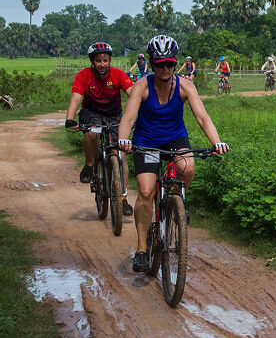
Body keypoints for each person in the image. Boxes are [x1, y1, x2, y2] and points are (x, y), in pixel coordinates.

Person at [118, 35, 229, 273]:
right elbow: (128, 117)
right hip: (146, 141)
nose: (165, 69)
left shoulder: (185, 86)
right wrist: (123, 139)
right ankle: (141, 249)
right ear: (152, 63)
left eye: (169, 63)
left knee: (187, 167)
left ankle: (178, 201)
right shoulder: (142, 86)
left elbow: (202, 117)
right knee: (146, 192)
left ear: (174, 62)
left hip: (175, 138)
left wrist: (217, 142)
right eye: (160, 64)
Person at [65, 41, 134, 216]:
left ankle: (123, 198)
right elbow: (75, 97)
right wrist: (70, 118)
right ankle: (89, 165)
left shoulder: (118, 75)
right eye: (98, 60)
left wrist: (144, 111)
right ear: (92, 61)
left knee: (121, 155)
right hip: (91, 112)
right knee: (93, 132)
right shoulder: (84, 75)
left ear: (110, 60)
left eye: (105, 60)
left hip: (114, 115)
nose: (102, 64)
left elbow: (133, 93)